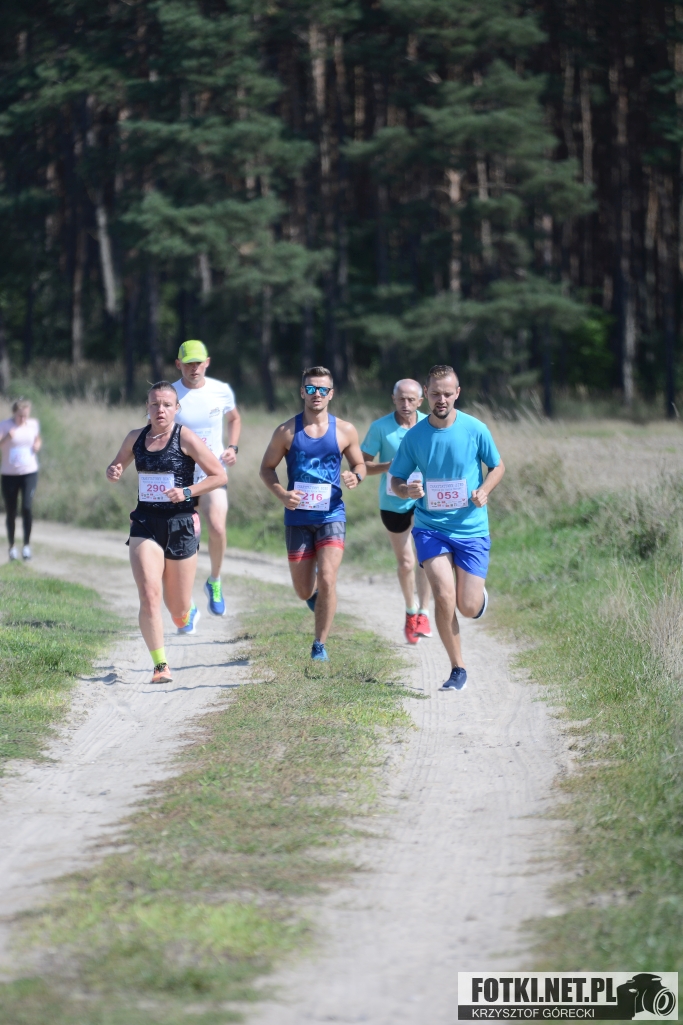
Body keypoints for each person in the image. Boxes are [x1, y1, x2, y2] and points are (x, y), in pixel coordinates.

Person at [389, 365, 505, 692]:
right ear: (426, 394)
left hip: (470, 528)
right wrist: (406, 490)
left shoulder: (475, 429)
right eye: (436, 393)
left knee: (467, 606)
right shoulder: (415, 436)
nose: (441, 399)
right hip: (430, 527)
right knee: (443, 596)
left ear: (457, 393)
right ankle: (457, 668)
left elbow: (497, 466)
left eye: (447, 393)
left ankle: (476, 598)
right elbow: (396, 479)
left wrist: (485, 490)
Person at [106, 381, 227, 684]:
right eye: (155, 404)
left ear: (176, 408)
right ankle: (160, 665)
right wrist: (114, 470)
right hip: (145, 522)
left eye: (167, 404)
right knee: (149, 594)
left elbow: (218, 476)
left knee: (177, 607)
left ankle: (187, 611)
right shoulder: (135, 437)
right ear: (147, 407)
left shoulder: (185, 437)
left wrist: (187, 491)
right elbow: (117, 465)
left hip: (180, 523)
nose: (160, 409)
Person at [259, 366, 366, 662]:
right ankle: (318, 597)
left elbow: (359, 464)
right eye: (310, 388)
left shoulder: (345, 430)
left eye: (322, 389)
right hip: (297, 518)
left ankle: (320, 644)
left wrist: (356, 476)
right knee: (303, 590)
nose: (316, 394)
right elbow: (266, 469)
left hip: (332, 515)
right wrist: (282, 494)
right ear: (302, 392)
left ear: (331, 394)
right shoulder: (286, 431)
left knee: (329, 577)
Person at [173, 340, 241, 618]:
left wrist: (233, 447)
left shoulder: (220, 390)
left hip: (212, 472)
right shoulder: (170, 394)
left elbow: (234, 419)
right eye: (188, 363)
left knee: (217, 527)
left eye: (198, 363)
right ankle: (185, 602)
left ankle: (214, 580)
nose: (194, 368)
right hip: (179, 476)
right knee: (183, 539)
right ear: (178, 364)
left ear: (207, 363)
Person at [361, 379, 432, 645]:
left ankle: (424, 612)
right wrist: (389, 466)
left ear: (420, 401)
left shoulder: (430, 424)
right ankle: (410, 609)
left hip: (425, 500)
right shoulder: (380, 428)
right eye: (401, 398)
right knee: (406, 562)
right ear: (393, 398)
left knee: (425, 557)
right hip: (393, 503)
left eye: (411, 399)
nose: (406, 404)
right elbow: (362, 466)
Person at [0, 398, 42, 561]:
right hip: (9, 475)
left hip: (29, 472)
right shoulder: (5, 425)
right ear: (14, 413)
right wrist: (6, 438)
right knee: (11, 511)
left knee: (26, 507)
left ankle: (26, 546)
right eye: (20, 416)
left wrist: (37, 445)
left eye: (25, 415)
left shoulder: (33, 424)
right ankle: (12, 547)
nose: (23, 419)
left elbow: (37, 438)